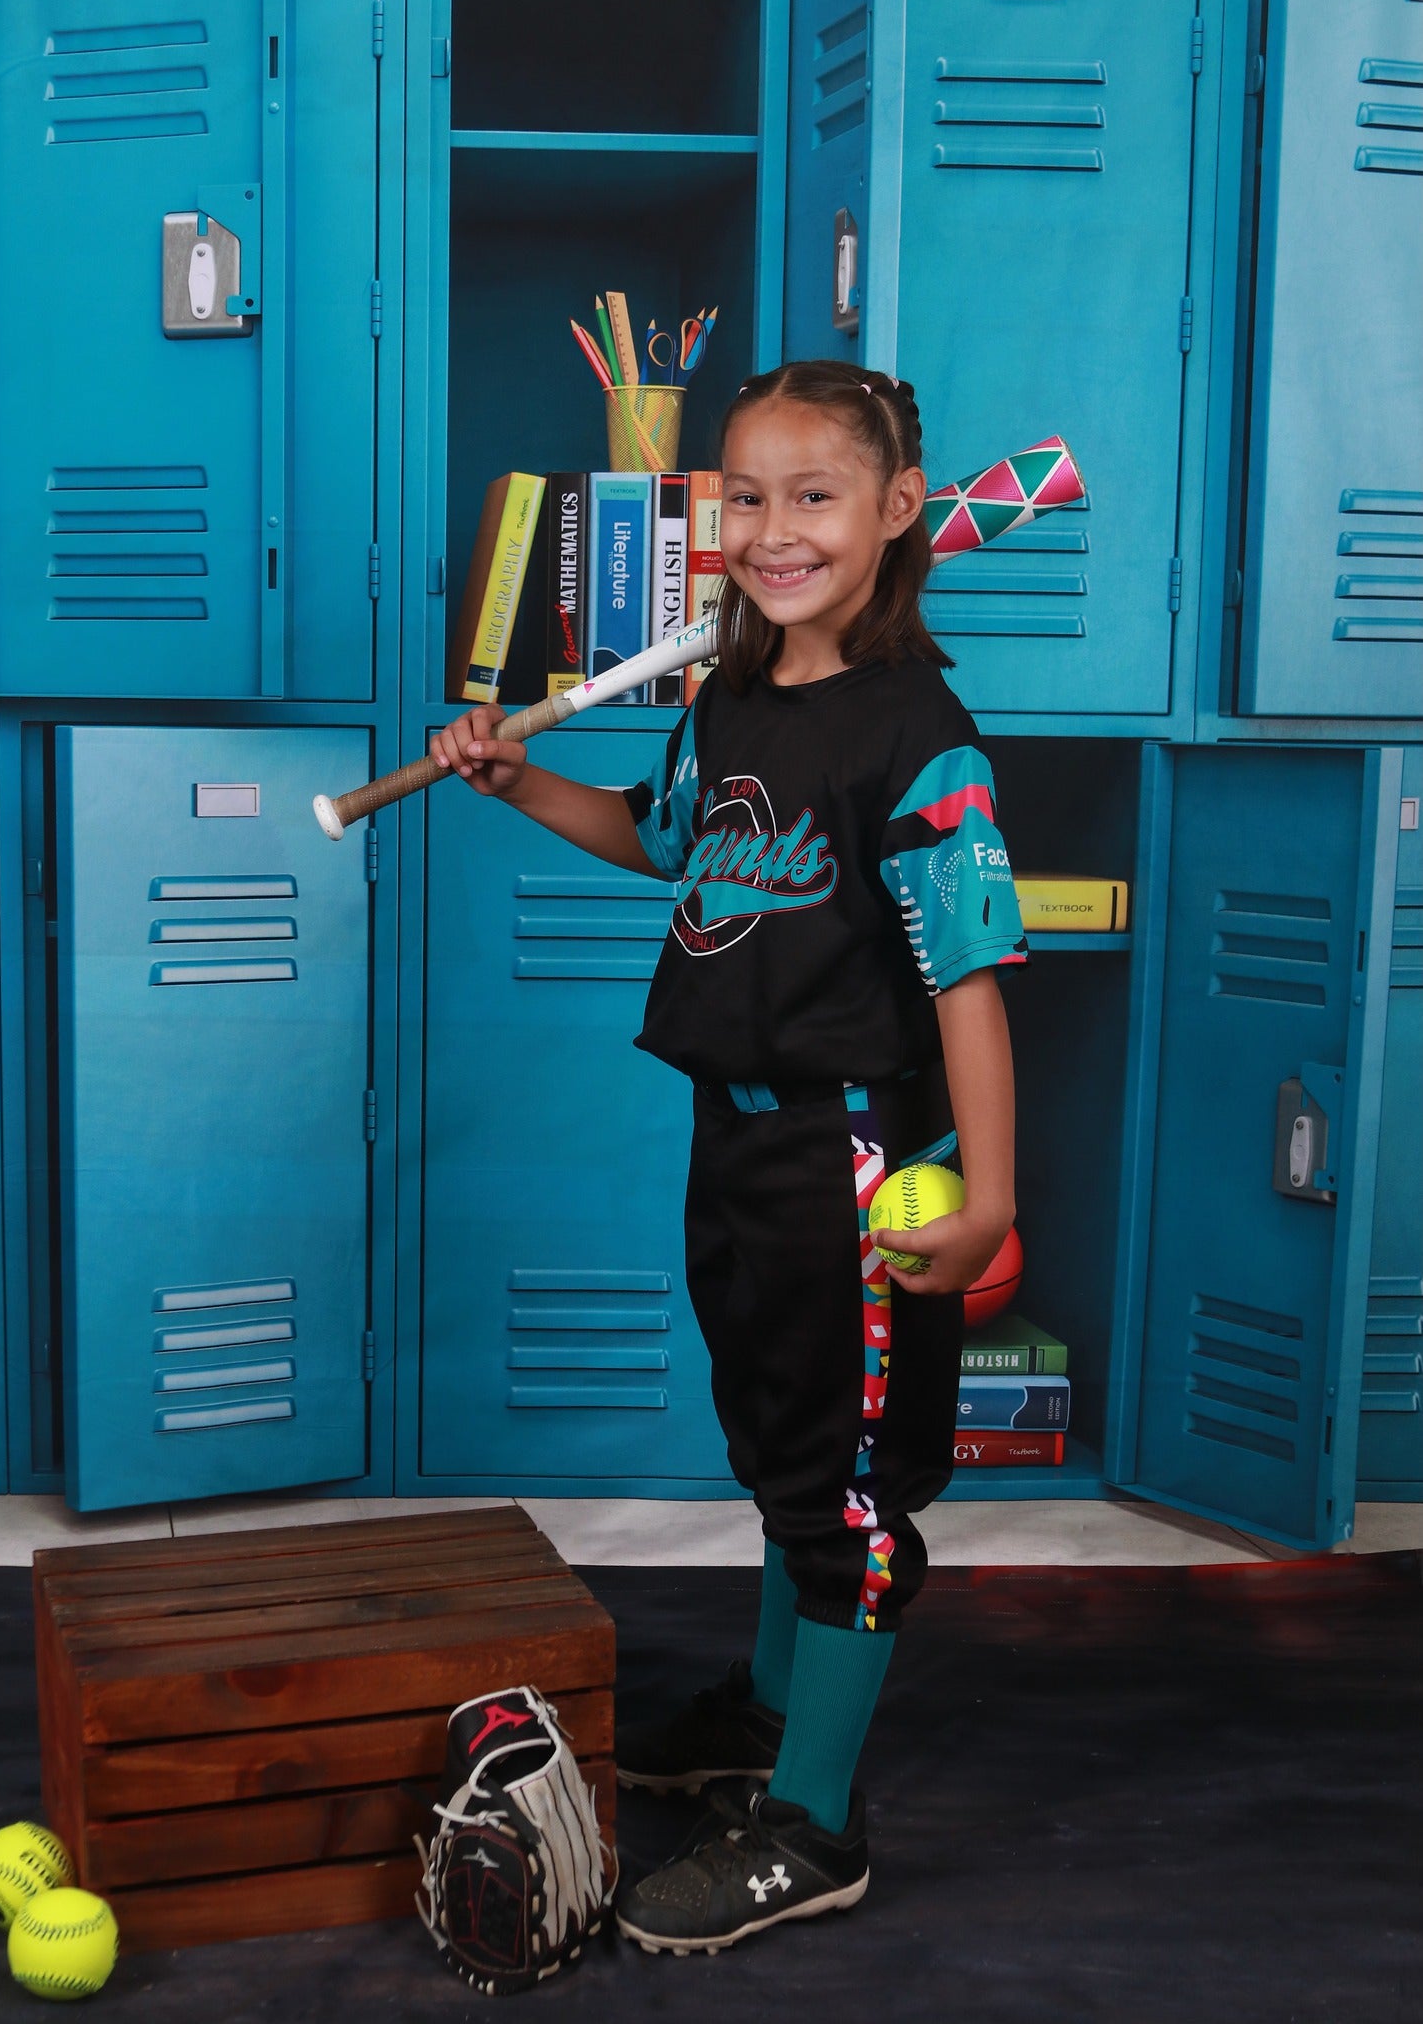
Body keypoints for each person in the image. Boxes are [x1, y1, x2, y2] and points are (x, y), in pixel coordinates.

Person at [428, 359, 1027, 1955]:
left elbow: (970, 975)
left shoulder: (919, 733)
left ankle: (813, 1825)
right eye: (745, 496)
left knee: (847, 1485)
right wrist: (517, 779)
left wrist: (992, 1196)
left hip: (852, 1149)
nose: (773, 529)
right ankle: (769, 1716)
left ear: (898, 513)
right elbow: (670, 839)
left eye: (813, 495)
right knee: (781, 1441)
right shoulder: (733, 696)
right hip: (736, 1138)